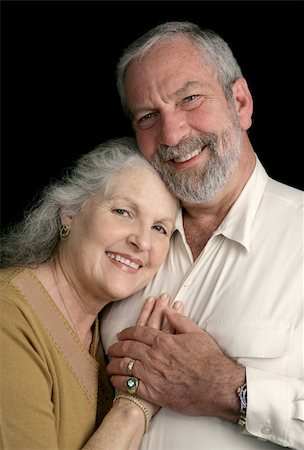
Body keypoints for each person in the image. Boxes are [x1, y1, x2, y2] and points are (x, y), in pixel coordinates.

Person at [103, 22, 304, 450]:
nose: (172, 134)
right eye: (148, 117)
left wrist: (231, 391)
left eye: (190, 99)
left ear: (241, 102)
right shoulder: (115, 247)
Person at [0, 137, 182, 450]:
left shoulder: (100, 334)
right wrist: (132, 405)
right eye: (123, 211)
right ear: (69, 212)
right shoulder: (8, 316)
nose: (143, 241)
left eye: (160, 228)